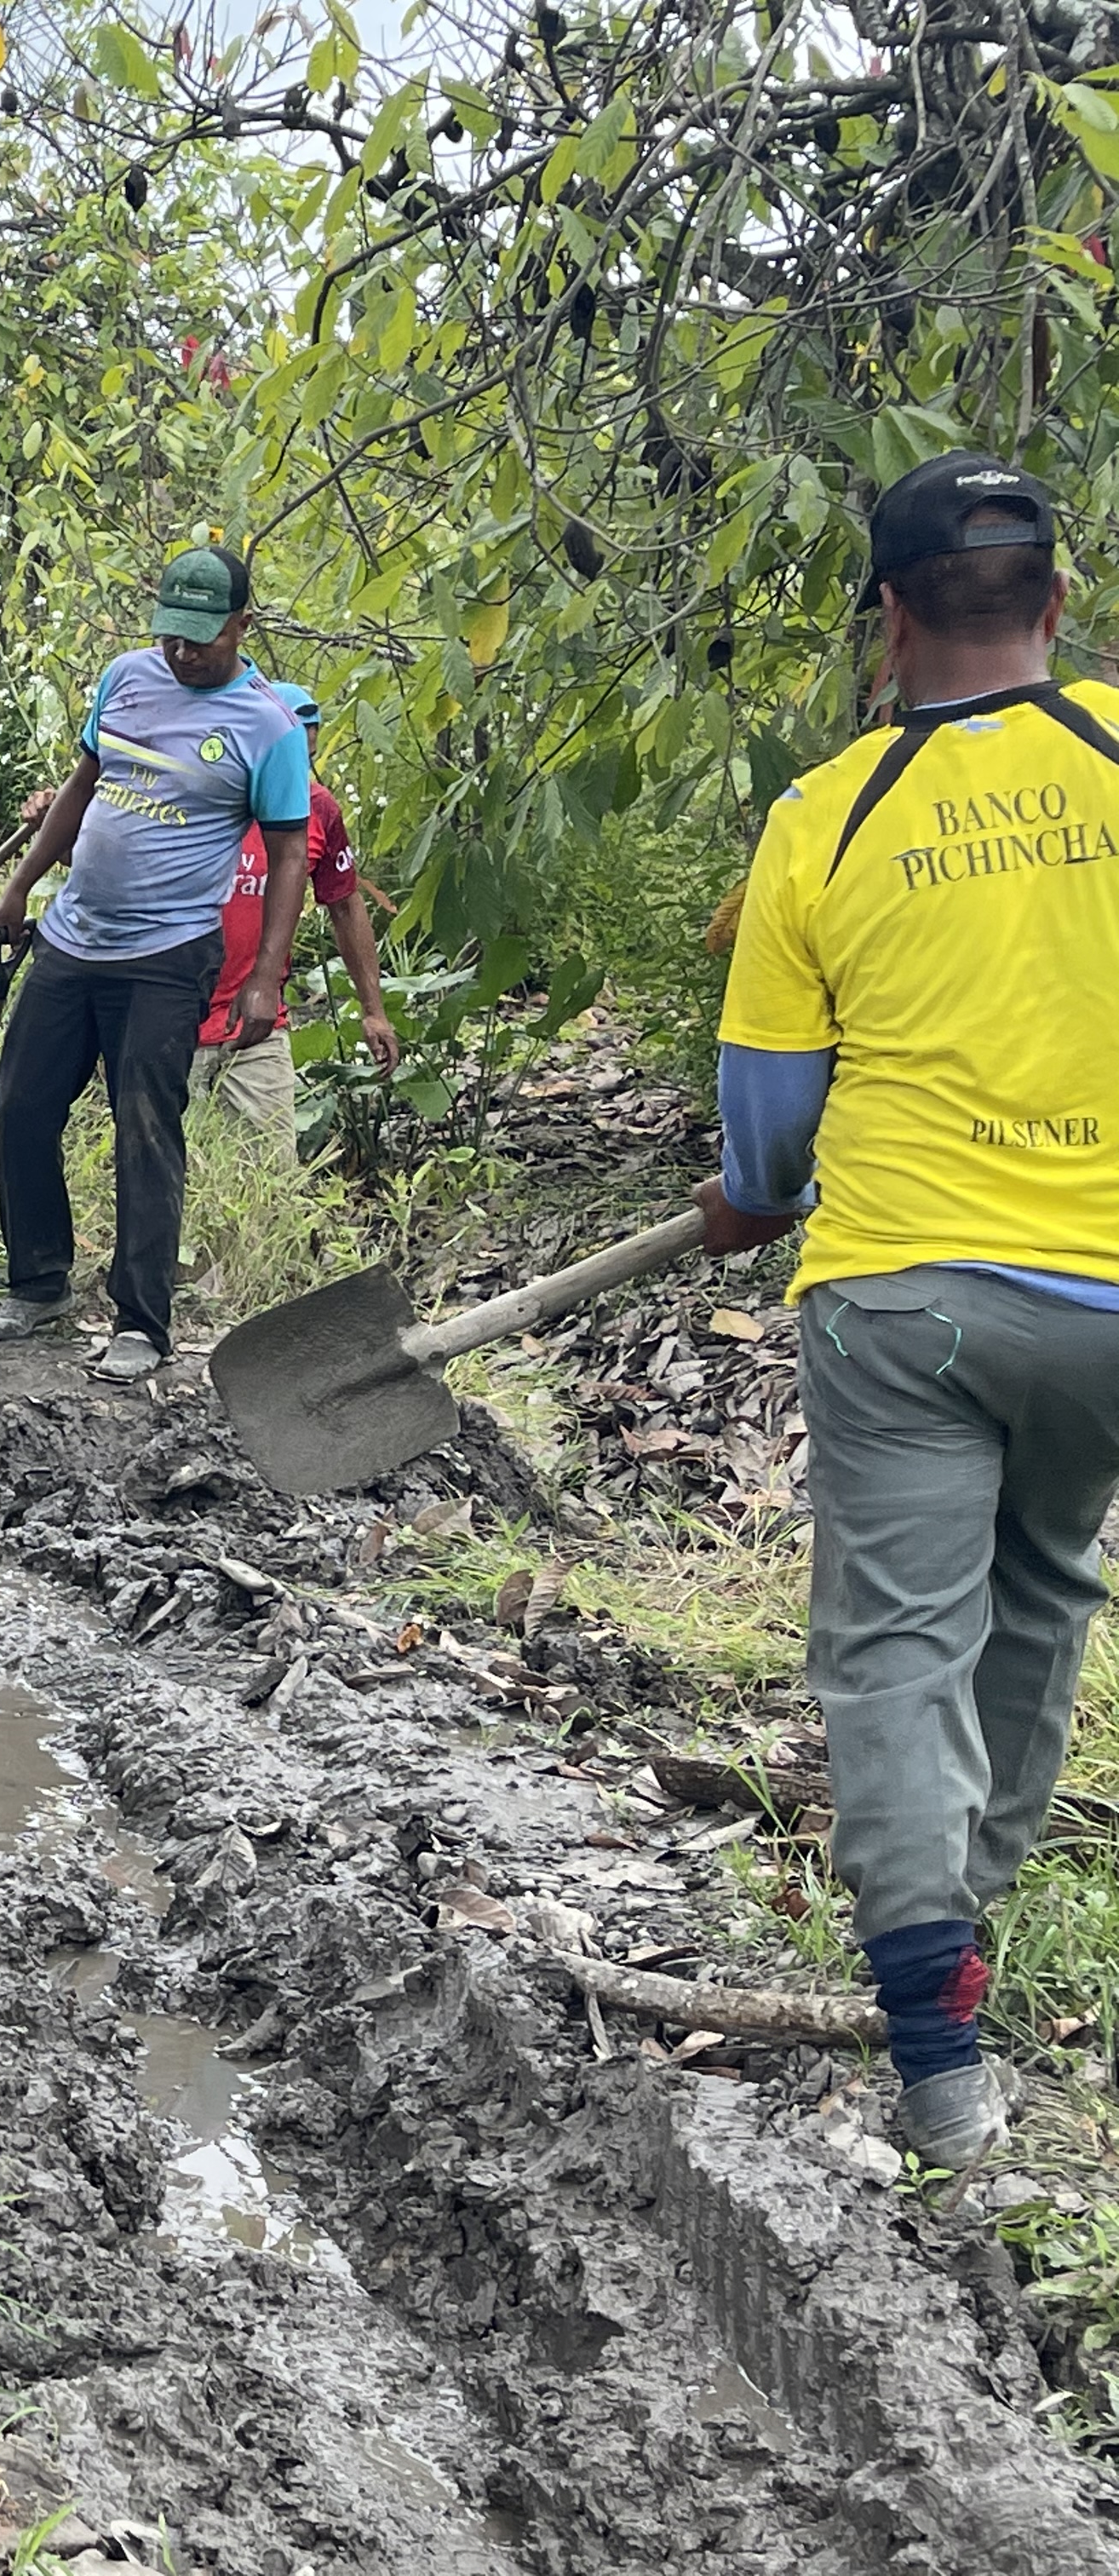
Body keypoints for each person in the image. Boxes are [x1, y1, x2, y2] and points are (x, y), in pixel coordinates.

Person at [704, 450, 1119, 2171]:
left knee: (894, 1648)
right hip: (1104, 1300)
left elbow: (766, 1129)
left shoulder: (829, 816)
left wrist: (747, 1199)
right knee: (1041, 1591)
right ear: (1059, 602)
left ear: (886, 621)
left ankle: (941, 2067)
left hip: (906, 1297)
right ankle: (969, 1929)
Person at [0, 546, 313, 1381]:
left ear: (242, 625)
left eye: (202, 636)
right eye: (171, 634)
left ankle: (141, 1322)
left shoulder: (268, 728)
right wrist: (19, 887)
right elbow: (83, 785)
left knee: (145, 1129)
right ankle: (38, 1283)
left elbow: (289, 855)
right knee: (22, 1105)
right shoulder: (125, 678)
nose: (183, 651)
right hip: (74, 936)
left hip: (168, 955)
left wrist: (266, 977)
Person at [192, 683, 399, 1149]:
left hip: (255, 1027)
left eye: (306, 757)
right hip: (168, 1021)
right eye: (286, 756)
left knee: (268, 1172)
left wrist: (374, 1011)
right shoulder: (199, 792)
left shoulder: (317, 808)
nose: (295, 770)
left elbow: (345, 904)